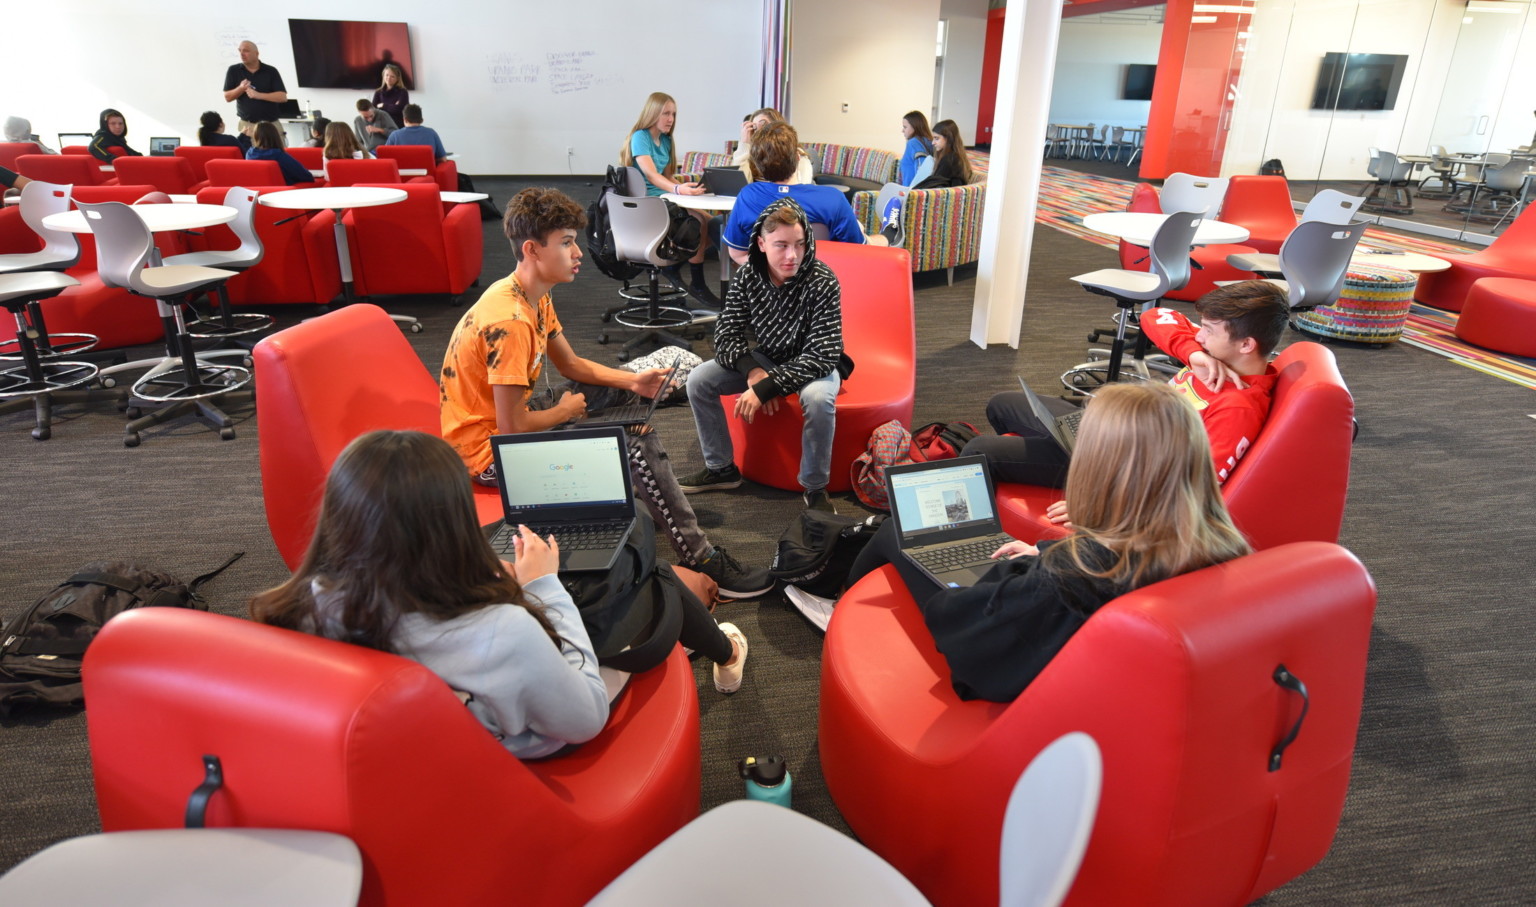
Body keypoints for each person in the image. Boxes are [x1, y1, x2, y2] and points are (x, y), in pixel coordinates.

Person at [440, 186, 772, 612]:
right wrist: (563, 412)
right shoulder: (511, 320)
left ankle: (628, 463)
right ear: (532, 249)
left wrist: (631, 383)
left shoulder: (530, 294)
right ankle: (701, 555)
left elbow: (573, 366)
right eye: (566, 243)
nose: (578, 252)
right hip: (489, 457)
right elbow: (511, 431)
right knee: (636, 443)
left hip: (505, 425)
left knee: (614, 390)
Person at [844, 382, 1252, 703]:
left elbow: (966, 636)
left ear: (1101, 471)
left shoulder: (1076, 575)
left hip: (1022, 687)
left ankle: (839, 608)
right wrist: (1043, 553)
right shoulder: (1222, 548)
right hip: (1122, 685)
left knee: (895, 531)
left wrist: (1020, 573)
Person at [249, 430, 610, 759]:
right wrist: (543, 585)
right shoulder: (503, 629)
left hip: (390, 765)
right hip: (501, 770)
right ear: (456, 522)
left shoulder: (300, 610)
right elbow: (586, 721)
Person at [964, 281, 1290, 498]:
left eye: (1207, 330)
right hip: (1113, 434)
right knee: (1003, 404)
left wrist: (1104, 505)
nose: (1199, 337)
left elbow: (1195, 489)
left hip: (1118, 469)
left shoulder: (1239, 408)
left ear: (1246, 344)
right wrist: (1191, 353)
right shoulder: (1214, 356)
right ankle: (1028, 466)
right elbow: (1154, 316)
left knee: (980, 451)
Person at [682, 197, 844, 513]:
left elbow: (823, 353)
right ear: (761, 243)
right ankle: (721, 468)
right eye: (781, 245)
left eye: (799, 244)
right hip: (767, 357)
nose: (792, 255)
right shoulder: (747, 277)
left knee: (819, 400)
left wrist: (769, 387)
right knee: (699, 378)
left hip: (813, 363)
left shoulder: (822, 280)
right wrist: (756, 374)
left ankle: (814, 487)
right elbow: (725, 337)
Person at [721, 122, 873, 267]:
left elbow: (738, 254)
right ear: (798, 157)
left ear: (757, 165)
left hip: (770, 289)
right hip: (821, 285)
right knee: (870, 236)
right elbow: (857, 251)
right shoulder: (832, 198)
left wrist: (773, 270)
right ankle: (890, 233)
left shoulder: (748, 196)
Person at [619, 91, 718, 305]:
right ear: (653, 113)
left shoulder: (665, 140)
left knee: (712, 223)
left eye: (673, 114)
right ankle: (698, 283)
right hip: (647, 204)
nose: (671, 119)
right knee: (698, 222)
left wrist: (683, 187)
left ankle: (673, 267)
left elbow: (666, 176)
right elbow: (651, 175)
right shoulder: (640, 137)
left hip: (665, 199)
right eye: (666, 113)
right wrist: (679, 190)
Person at [222, 41, 288, 138]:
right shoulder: (233, 70)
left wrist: (258, 95)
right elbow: (227, 97)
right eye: (240, 51)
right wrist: (240, 88)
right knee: (248, 153)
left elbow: (282, 97)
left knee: (277, 152)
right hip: (247, 125)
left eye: (246, 51)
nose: (241, 54)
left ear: (256, 53)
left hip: (271, 125)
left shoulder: (270, 71)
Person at [732, 108, 813, 184]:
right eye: (754, 127)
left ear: (777, 127)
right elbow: (739, 184)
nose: (760, 131)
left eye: (763, 123)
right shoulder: (753, 154)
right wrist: (744, 144)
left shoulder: (796, 155)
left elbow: (801, 189)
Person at [245, 121, 315, 186]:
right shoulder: (279, 156)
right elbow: (306, 176)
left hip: (257, 191)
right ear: (275, 136)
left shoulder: (249, 155)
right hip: (283, 193)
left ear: (255, 136)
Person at [912, 119, 974, 189]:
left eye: (936, 138)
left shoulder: (950, 159)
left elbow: (934, 184)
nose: (933, 143)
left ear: (948, 139)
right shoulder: (957, 157)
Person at [898, 110, 935, 187]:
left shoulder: (913, 143)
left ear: (915, 127)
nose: (902, 130)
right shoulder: (928, 141)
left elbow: (922, 171)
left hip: (912, 193)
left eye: (905, 127)